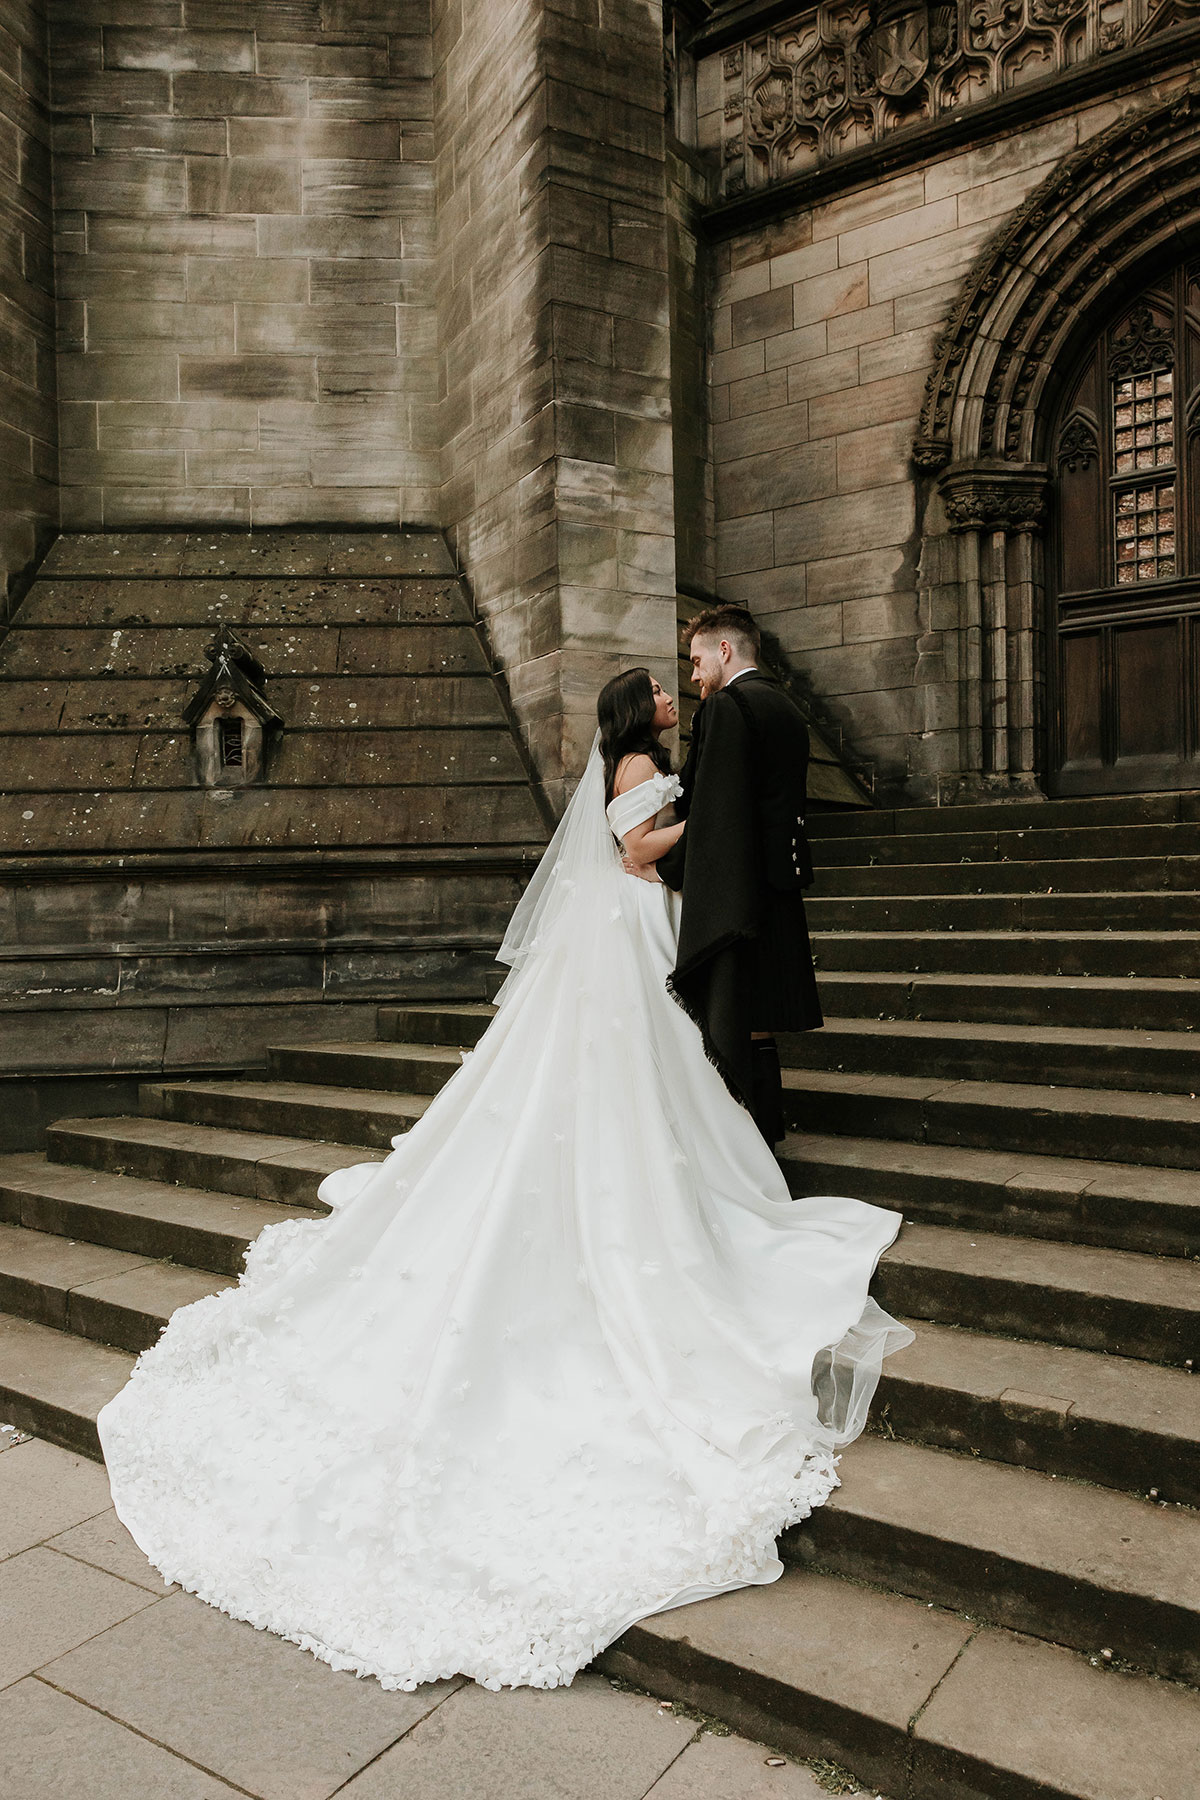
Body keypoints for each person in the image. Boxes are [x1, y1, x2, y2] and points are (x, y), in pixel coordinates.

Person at [97, 668, 912, 1696]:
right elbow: (632, 851)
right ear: (637, 711)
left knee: (629, 1079)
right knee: (630, 1078)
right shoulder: (636, 762)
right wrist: (693, 831)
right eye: (660, 689)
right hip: (628, 921)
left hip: (622, 931)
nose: (671, 693)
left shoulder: (643, 758)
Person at [645, 606, 822, 1145]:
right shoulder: (787, 709)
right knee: (759, 1016)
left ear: (725, 650)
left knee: (733, 1015)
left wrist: (662, 865)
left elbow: (718, 812)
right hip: (778, 883)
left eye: (697, 661)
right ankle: (767, 1139)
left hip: (737, 890)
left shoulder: (728, 705)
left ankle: (746, 1149)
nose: (694, 676)